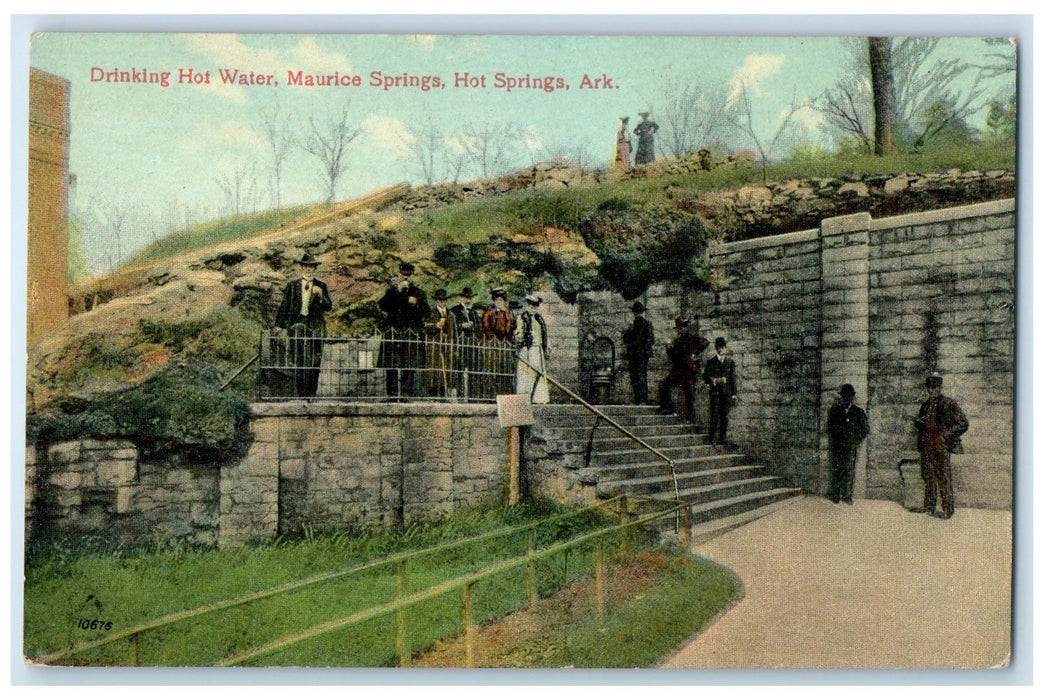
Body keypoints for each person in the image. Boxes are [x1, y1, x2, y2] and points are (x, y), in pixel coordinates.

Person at [273, 252, 333, 398]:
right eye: (306, 267)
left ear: (314, 269)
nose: (308, 270)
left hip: (315, 328)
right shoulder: (292, 286)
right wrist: (279, 325)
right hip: (297, 327)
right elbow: (284, 306)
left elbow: (329, 307)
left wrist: (320, 296)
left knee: (315, 360)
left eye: (311, 267)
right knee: (299, 360)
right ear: (301, 268)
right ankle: (302, 395)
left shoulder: (321, 286)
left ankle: (311, 395)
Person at [912, 373, 969, 520]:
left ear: (939, 388)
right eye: (929, 388)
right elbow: (923, 424)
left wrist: (945, 435)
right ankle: (929, 507)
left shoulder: (948, 403)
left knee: (943, 477)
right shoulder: (925, 405)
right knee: (928, 476)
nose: (931, 391)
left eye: (934, 388)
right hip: (926, 446)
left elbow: (963, 423)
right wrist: (919, 423)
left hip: (940, 446)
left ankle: (947, 509)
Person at [378, 262, 429, 399]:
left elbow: (427, 312)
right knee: (392, 364)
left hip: (410, 333)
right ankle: (392, 394)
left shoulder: (419, 293)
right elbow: (382, 306)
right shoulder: (392, 291)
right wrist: (398, 292)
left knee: (409, 363)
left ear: (412, 276)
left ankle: (406, 394)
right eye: (403, 274)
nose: (405, 277)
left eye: (408, 275)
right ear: (399, 275)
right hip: (394, 332)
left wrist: (417, 303)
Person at [657, 316, 708, 422]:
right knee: (663, 384)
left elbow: (705, 342)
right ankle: (668, 407)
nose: (680, 330)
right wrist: (669, 349)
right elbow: (674, 358)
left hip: (688, 370)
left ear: (686, 327)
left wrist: (695, 353)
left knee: (688, 393)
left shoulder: (692, 337)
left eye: (682, 327)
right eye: (679, 328)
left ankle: (690, 418)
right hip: (679, 369)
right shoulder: (677, 341)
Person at [827, 383, 870, 504]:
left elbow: (865, 429)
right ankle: (835, 495)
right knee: (836, 470)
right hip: (838, 446)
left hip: (850, 447)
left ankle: (847, 496)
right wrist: (837, 437)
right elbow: (830, 427)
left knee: (849, 470)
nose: (846, 398)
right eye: (844, 396)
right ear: (841, 397)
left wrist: (856, 440)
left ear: (852, 397)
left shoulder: (858, 412)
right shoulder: (835, 411)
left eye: (848, 396)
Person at [478, 288, 515, 398]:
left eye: (501, 300)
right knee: (490, 368)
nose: (500, 303)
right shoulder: (488, 313)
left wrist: (506, 338)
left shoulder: (506, 314)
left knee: (502, 368)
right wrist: (492, 338)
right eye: (498, 300)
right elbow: (485, 326)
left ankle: (502, 392)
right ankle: (489, 393)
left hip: (503, 344)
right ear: (494, 301)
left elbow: (509, 327)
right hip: (491, 344)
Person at [515, 294, 550, 404]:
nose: (532, 309)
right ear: (527, 306)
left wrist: (546, 346)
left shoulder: (539, 319)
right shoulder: (522, 318)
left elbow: (544, 334)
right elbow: (519, 332)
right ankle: (524, 397)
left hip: (537, 349)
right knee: (526, 373)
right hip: (527, 349)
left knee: (538, 372)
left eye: (535, 307)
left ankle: (539, 398)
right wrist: (519, 336)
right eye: (531, 306)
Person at [703, 337, 737, 447]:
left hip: (726, 393)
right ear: (716, 348)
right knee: (714, 415)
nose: (720, 349)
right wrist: (715, 380)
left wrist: (734, 394)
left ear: (725, 348)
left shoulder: (730, 362)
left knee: (724, 417)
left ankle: (722, 439)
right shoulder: (711, 362)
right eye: (718, 347)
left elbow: (733, 379)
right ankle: (711, 438)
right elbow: (705, 376)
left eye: (722, 347)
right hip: (715, 393)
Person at [424, 288, 456, 397]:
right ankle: (433, 392)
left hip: (446, 344)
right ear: (436, 301)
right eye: (439, 300)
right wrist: (436, 326)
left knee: (446, 368)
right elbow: (426, 327)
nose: (441, 303)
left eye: (443, 300)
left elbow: (453, 329)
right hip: (434, 344)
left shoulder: (450, 314)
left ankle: (443, 392)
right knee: (434, 368)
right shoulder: (430, 312)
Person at [622, 301, 654, 405]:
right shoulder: (635, 325)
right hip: (636, 354)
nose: (637, 314)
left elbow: (649, 340)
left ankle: (642, 400)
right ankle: (639, 400)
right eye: (637, 312)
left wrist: (640, 347)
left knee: (638, 376)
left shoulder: (644, 324)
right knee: (637, 376)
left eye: (638, 312)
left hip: (639, 354)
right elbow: (626, 338)